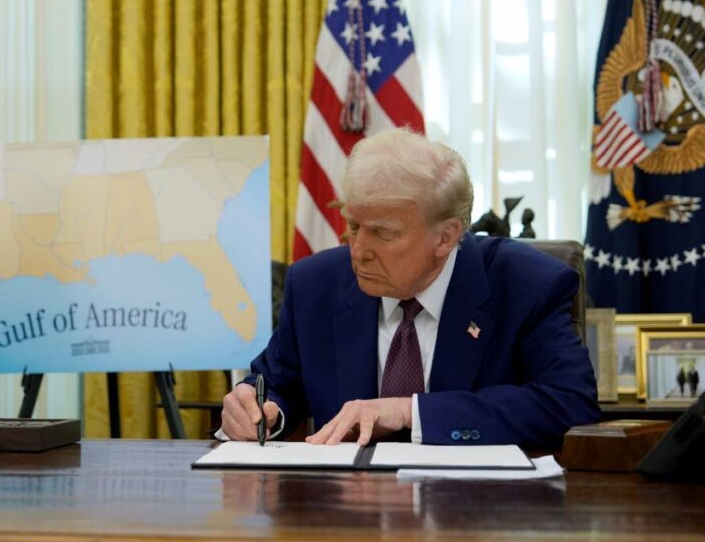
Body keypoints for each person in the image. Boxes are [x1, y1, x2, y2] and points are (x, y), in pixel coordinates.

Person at [221, 129, 598, 448]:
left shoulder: (526, 284)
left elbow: (568, 402)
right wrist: (258, 409)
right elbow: (276, 385)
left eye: (384, 233)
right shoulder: (316, 284)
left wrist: (408, 411)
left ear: (446, 237)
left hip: (479, 516)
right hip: (344, 516)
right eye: (353, 226)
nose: (359, 252)